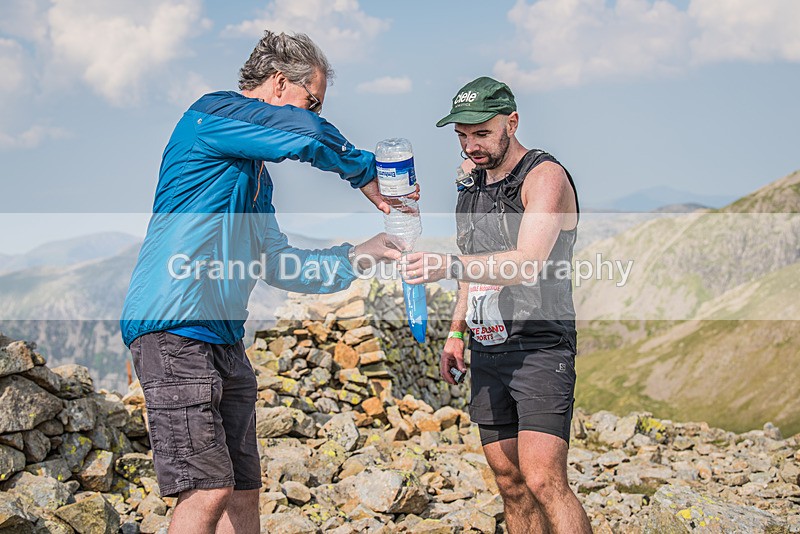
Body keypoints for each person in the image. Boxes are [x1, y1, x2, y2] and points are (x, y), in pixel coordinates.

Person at [120, 31, 408, 534]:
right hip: (173, 329)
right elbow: (305, 133)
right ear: (278, 84)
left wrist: (361, 254)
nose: (314, 114)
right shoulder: (209, 116)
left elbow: (279, 265)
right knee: (206, 489)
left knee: (243, 489)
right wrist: (366, 171)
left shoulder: (255, 179)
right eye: (312, 101)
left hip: (224, 339)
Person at [402, 77, 591, 534]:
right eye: (462, 135)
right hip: (488, 345)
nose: (471, 146)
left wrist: (446, 265)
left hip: (540, 344)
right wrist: (456, 332)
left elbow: (527, 263)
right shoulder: (470, 183)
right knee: (510, 482)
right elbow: (475, 263)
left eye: (482, 133)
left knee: (544, 479)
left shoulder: (545, 177)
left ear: (512, 122)